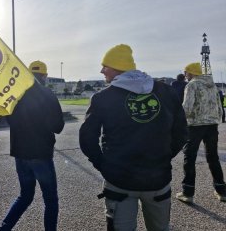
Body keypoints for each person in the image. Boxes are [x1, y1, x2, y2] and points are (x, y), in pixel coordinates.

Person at [79, 44, 187, 230]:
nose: (102, 70)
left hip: (119, 180)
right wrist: (162, 157)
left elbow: (87, 138)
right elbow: (182, 133)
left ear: (118, 67)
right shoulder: (166, 92)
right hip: (158, 179)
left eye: (105, 65)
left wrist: (104, 165)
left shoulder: (103, 97)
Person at [0, 60, 65, 231]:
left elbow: (9, 119)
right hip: (41, 153)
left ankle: (4, 228)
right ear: (44, 75)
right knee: (50, 199)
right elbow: (58, 126)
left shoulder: (16, 93)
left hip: (20, 153)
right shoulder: (47, 94)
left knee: (25, 196)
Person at [176, 62, 226, 203]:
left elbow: (187, 107)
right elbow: (219, 105)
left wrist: (180, 121)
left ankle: (188, 192)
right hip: (212, 125)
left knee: (190, 157)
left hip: (196, 126)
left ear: (191, 72)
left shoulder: (192, 85)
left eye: (186, 72)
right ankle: (222, 191)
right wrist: (217, 120)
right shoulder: (212, 85)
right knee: (213, 157)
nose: (185, 75)